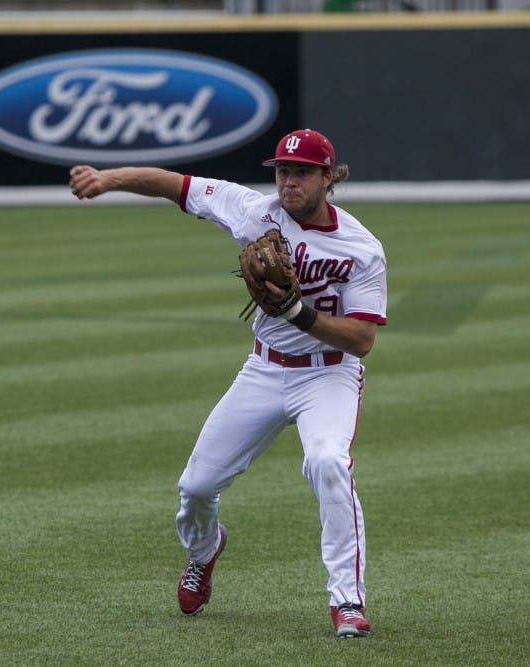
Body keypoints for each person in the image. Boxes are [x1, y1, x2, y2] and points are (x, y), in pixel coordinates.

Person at [68, 129, 387, 638]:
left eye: (302, 172)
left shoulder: (361, 248)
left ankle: (347, 601)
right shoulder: (252, 210)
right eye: (282, 171)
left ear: (328, 177)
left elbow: (363, 339)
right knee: (196, 487)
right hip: (263, 369)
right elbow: (174, 184)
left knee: (328, 461)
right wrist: (108, 178)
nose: (289, 182)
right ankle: (204, 550)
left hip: (328, 375)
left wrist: (297, 312)